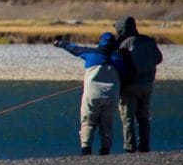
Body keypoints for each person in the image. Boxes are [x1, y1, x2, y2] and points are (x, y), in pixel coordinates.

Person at [53, 32, 127, 155]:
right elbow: (125, 76)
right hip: (111, 96)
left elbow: (74, 49)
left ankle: (86, 149)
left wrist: (60, 43)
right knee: (107, 124)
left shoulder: (91, 53)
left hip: (91, 94)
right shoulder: (119, 59)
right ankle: (105, 150)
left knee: (88, 121)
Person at [114, 16, 163, 153]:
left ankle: (129, 146)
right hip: (147, 84)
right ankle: (144, 145)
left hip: (129, 86)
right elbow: (159, 59)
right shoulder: (149, 41)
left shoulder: (124, 44)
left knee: (128, 118)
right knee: (143, 117)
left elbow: (118, 63)